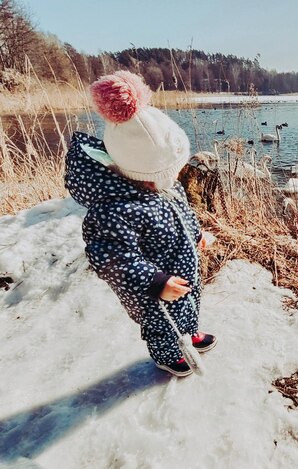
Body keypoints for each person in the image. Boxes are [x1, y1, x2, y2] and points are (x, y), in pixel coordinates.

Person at [64, 71, 216, 377]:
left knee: (190, 301)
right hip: (152, 288)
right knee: (161, 323)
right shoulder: (116, 210)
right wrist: (155, 282)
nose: (177, 177)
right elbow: (112, 258)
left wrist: (196, 234)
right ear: (143, 172)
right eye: (170, 171)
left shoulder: (165, 187)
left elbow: (180, 213)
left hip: (182, 269)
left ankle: (190, 332)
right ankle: (167, 354)